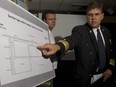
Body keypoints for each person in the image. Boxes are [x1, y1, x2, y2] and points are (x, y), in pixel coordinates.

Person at [37, 2, 115, 87]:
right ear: (87, 16)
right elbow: (71, 40)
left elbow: (111, 53)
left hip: (105, 75)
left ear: (102, 16)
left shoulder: (106, 32)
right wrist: (57, 46)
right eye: (90, 15)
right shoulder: (80, 31)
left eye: (97, 14)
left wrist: (110, 69)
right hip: (86, 80)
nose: (93, 18)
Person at [38, 10, 57, 87]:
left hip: (51, 70)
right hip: (45, 71)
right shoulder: (43, 34)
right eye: (50, 19)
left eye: (54, 19)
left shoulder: (50, 33)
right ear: (44, 21)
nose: (53, 21)